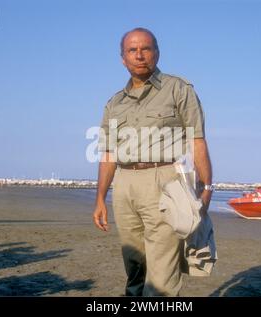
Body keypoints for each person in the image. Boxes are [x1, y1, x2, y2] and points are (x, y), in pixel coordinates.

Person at [92, 27, 213, 296]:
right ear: (123, 58)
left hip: (165, 180)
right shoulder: (114, 103)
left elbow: (197, 140)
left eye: (145, 49)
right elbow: (108, 154)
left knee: (161, 275)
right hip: (124, 186)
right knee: (135, 266)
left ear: (157, 53)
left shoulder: (178, 89)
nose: (139, 55)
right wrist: (100, 197)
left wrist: (207, 188)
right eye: (132, 50)